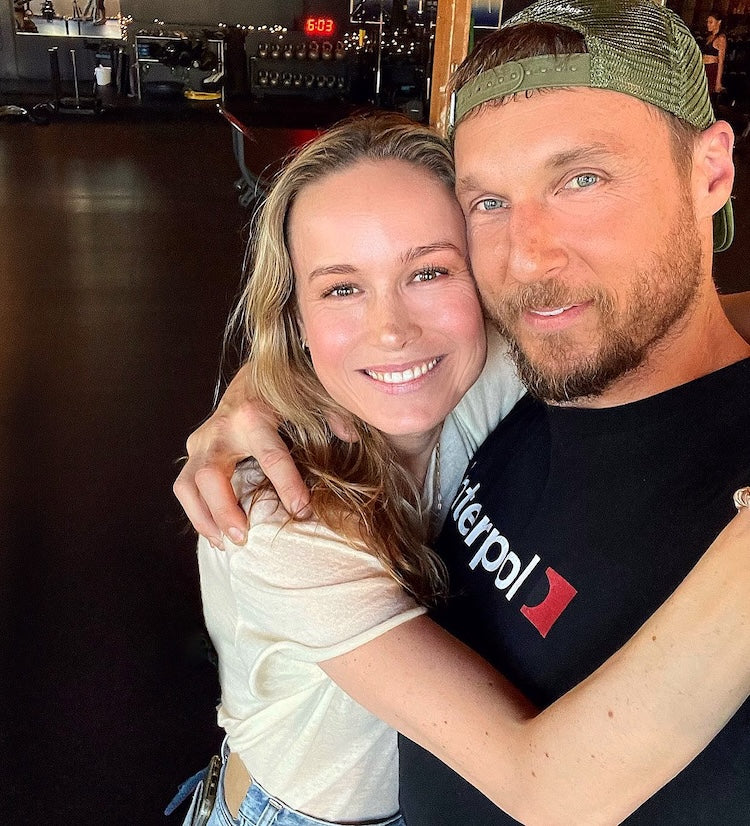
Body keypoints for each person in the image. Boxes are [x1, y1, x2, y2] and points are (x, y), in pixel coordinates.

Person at [174, 2, 750, 823]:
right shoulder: (272, 512)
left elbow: (661, 312)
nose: (529, 259)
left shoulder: (488, 367)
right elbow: (547, 786)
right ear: (294, 320)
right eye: (341, 288)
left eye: (581, 178)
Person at [703, 11, 727, 96]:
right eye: (707, 22)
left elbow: (721, 61)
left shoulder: (721, 38)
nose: (708, 24)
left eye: (711, 22)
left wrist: (718, 82)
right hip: (704, 68)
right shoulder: (709, 37)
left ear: (719, 22)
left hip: (712, 69)